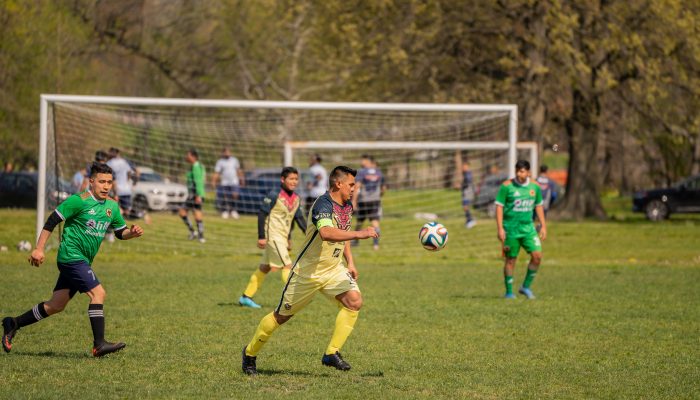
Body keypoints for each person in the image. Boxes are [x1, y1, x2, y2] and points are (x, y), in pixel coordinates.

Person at [241, 166, 379, 375]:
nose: (354, 188)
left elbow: (344, 233)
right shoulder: (322, 204)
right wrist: (361, 233)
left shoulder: (347, 205)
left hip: (333, 269)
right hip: (308, 273)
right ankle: (249, 353)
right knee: (281, 317)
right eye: (351, 184)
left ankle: (331, 353)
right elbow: (326, 232)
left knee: (354, 302)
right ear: (338, 183)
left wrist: (350, 262)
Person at [2, 162, 144, 357]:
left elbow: (120, 232)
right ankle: (99, 344)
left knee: (56, 305)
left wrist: (132, 233)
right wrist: (39, 249)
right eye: (101, 182)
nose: (105, 186)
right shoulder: (79, 200)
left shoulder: (112, 206)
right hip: (71, 257)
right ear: (91, 182)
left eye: (109, 182)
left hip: (83, 261)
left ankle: (13, 323)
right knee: (99, 294)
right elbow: (52, 220)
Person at [238, 167, 307, 309]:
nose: (294, 182)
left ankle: (246, 297)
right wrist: (261, 237)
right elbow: (262, 214)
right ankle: (292, 299)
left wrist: (304, 236)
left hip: (282, 237)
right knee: (288, 266)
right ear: (283, 179)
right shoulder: (274, 194)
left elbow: (298, 219)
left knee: (265, 268)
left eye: (296, 179)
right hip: (273, 237)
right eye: (291, 179)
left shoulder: (296, 198)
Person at [495, 160, 546, 300]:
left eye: (522, 171)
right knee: (511, 260)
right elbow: (499, 207)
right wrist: (500, 228)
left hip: (528, 228)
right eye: (517, 171)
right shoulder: (506, 186)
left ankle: (525, 287)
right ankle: (509, 292)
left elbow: (539, 205)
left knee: (537, 256)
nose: (519, 174)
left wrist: (543, 225)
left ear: (528, 172)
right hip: (510, 229)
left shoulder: (535, 186)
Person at [352, 155, 385, 250]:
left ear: (368, 161)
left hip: (364, 200)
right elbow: (383, 188)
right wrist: (379, 195)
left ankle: (355, 241)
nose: (361, 161)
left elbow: (357, 186)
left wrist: (354, 201)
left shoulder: (362, 172)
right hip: (375, 200)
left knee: (359, 221)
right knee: (375, 221)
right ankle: (376, 244)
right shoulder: (379, 172)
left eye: (363, 160)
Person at [179, 149, 206, 243]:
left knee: (193, 214)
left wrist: (198, 195)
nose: (186, 157)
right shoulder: (195, 166)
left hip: (195, 194)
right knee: (187, 213)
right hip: (194, 194)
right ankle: (197, 234)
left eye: (188, 155)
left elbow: (198, 181)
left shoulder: (196, 167)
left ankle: (199, 235)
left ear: (193, 157)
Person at [213, 147, 245, 219]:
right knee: (226, 197)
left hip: (234, 181)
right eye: (226, 152)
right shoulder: (220, 162)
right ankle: (225, 211)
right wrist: (214, 181)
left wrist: (242, 179)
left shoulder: (234, 160)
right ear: (223, 153)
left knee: (235, 195)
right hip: (224, 182)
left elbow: (238, 170)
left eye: (229, 152)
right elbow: (217, 172)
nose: (227, 153)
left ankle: (233, 210)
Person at [106, 147, 136, 217]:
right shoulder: (124, 162)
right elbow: (129, 172)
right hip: (126, 189)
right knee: (126, 211)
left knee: (115, 209)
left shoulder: (109, 163)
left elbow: (112, 178)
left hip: (115, 189)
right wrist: (126, 182)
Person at [461, 161, 477, 229]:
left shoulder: (468, 173)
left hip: (468, 192)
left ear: (467, 166)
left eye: (464, 166)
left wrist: (463, 185)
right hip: (466, 191)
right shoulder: (465, 173)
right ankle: (469, 220)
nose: (463, 168)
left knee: (465, 206)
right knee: (465, 207)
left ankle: (471, 220)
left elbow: (468, 181)